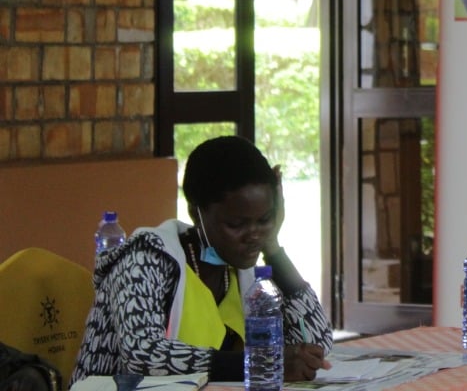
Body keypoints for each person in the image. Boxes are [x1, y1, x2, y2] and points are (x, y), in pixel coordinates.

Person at [72, 136, 332, 384]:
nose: (254, 235)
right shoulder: (145, 259)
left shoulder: (243, 270)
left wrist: (273, 246)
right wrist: (263, 362)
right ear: (195, 212)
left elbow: (317, 343)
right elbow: (143, 354)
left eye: (264, 220)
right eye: (236, 224)